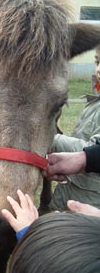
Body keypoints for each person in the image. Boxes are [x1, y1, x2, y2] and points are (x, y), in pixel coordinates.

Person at [47, 45, 100, 210]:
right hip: (77, 188)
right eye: (97, 61)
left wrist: (50, 139)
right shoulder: (96, 101)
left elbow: (92, 148)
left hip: (90, 201)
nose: (99, 69)